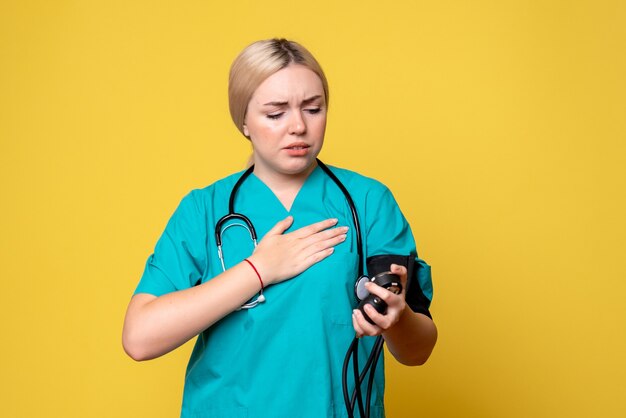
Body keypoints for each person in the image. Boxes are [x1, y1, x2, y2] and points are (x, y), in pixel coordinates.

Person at [122, 38, 437, 418]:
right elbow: (139, 338)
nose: (299, 127)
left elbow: (418, 351)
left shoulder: (368, 203)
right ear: (244, 121)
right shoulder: (203, 210)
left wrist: (397, 320)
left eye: (313, 108)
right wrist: (258, 270)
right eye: (275, 114)